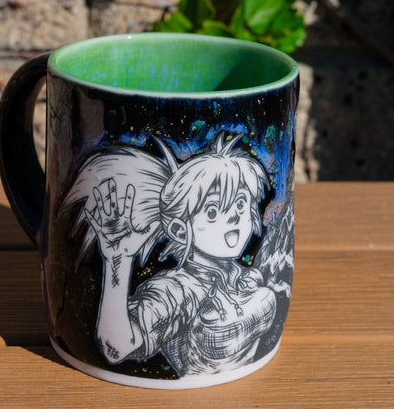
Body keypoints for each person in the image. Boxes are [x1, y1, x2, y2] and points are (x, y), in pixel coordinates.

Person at [63, 132, 277, 377]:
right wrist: (118, 262)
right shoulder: (176, 290)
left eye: (240, 203)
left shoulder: (244, 277)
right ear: (179, 230)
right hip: (191, 397)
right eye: (212, 210)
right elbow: (116, 347)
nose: (233, 216)